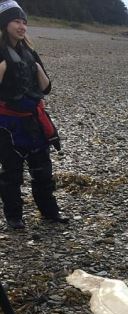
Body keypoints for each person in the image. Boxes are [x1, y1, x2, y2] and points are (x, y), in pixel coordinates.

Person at [0, 0, 68, 230]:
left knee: (42, 171)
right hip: (9, 123)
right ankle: (14, 217)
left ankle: (50, 212)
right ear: (4, 23)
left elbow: (46, 87)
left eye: (24, 22)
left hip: (34, 120)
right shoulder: (1, 53)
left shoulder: (29, 52)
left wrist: (33, 62)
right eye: (16, 21)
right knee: (12, 173)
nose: (22, 26)